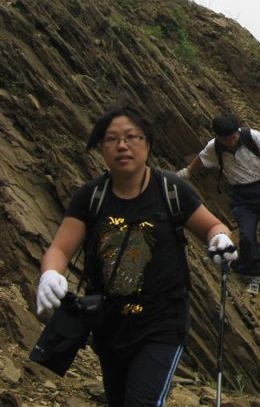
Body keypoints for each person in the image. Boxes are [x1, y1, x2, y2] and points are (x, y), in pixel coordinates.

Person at [35, 106, 238, 407]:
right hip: (108, 326)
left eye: (132, 137)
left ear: (147, 143)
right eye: (112, 139)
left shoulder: (171, 190)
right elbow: (60, 249)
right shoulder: (91, 197)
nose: (122, 145)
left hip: (162, 323)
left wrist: (220, 239)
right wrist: (50, 273)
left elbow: (213, 226)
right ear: (100, 148)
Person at [177, 114, 260, 296]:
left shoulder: (252, 137)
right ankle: (253, 277)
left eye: (234, 137)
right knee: (246, 236)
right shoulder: (214, 148)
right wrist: (187, 172)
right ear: (218, 137)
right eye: (226, 139)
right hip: (242, 196)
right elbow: (201, 158)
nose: (231, 142)